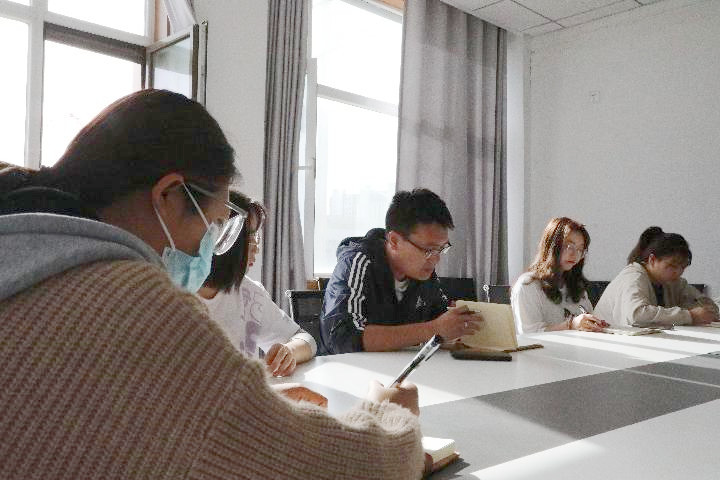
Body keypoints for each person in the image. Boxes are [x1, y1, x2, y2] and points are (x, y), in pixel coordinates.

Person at [0, 89, 425, 479]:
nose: (213, 248)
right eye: (214, 227)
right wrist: (389, 413)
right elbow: (356, 467)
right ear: (169, 195)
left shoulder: (25, 256)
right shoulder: (133, 303)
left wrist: (243, 406)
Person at [319, 188, 483, 354]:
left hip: (401, 366)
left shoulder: (423, 273)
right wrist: (434, 329)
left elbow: (438, 317)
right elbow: (341, 338)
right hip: (347, 367)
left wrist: (456, 323)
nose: (436, 259)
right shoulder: (357, 262)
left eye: (441, 249)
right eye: (428, 250)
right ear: (394, 241)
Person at [197, 192, 316, 377]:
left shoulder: (249, 293)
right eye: (251, 237)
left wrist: (289, 352)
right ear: (225, 237)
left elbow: (306, 340)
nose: (256, 248)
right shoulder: (174, 292)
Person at [594, 226, 718, 327]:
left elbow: (708, 306)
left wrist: (700, 311)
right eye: (672, 266)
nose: (678, 272)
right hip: (606, 344)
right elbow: (637, 315)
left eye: (683, 267)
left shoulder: (673, 282)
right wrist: (689, 315)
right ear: (652, 260)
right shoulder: (633, 276)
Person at [511, 217, 608, 333]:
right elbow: (529, 334)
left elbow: (587, 321)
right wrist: (571, 325)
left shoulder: (576, 286)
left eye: (580, 249)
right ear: (551, 246)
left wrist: (595, 324)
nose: (575, 254)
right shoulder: (528, 285)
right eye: (569, 246)